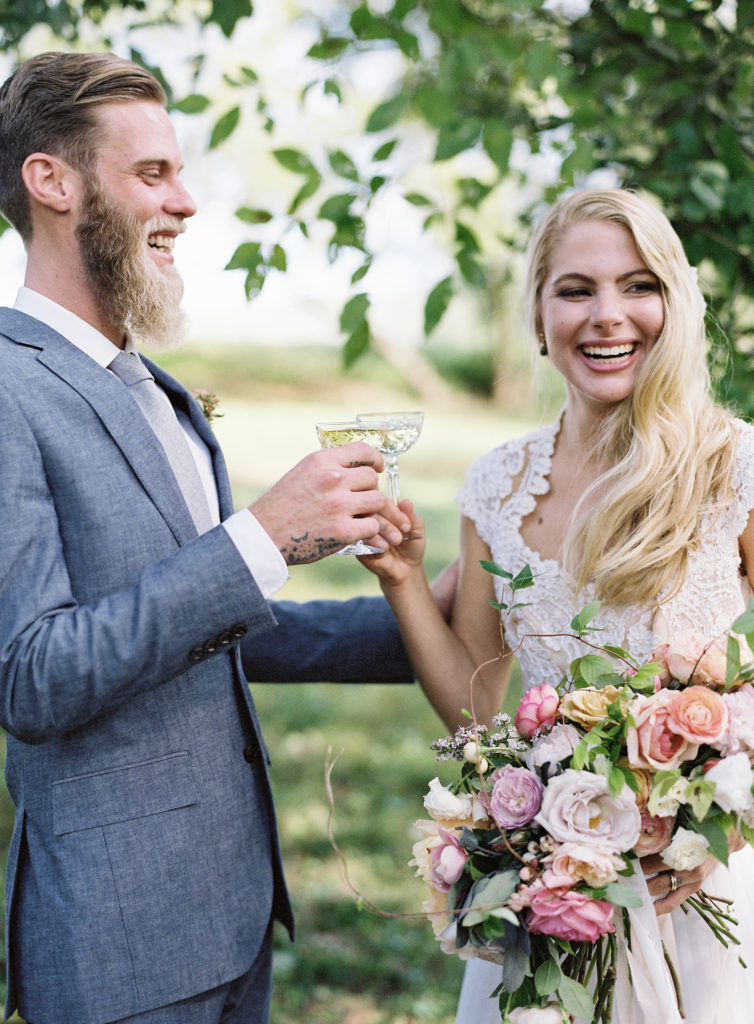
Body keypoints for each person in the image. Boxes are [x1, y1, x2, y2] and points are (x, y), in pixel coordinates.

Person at [0, 50, 424, 1024]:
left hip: (233, 915)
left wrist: (420, 620)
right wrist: (264, 533)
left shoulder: (160, 392)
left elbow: (214, 624)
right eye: (152, 173)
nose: (186, 202)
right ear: (50, 181)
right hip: (116, 944)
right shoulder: (8, 386)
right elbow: (30, 675)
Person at [363, 188, 754, 1023]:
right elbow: (475, 699)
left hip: (704, 878)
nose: (608, 316)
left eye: (638, 285)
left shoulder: (734, 466)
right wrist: (401, 578)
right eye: (575, 290)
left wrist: (728, 827)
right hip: (554, 888)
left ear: (675, 304)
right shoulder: (496, 486)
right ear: (540, 319)